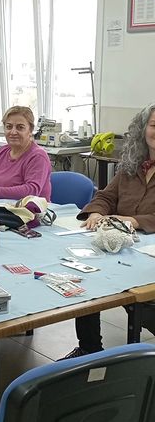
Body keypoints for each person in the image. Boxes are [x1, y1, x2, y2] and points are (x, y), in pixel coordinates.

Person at [61, 104, 155, 359]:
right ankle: (89, 349)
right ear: (143, 129)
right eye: (154, 125)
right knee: (84, 275)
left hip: (148, 258)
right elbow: (105, 196)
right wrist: (95, 213)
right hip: (120, 247)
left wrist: (134, 221)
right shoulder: (131, 167)